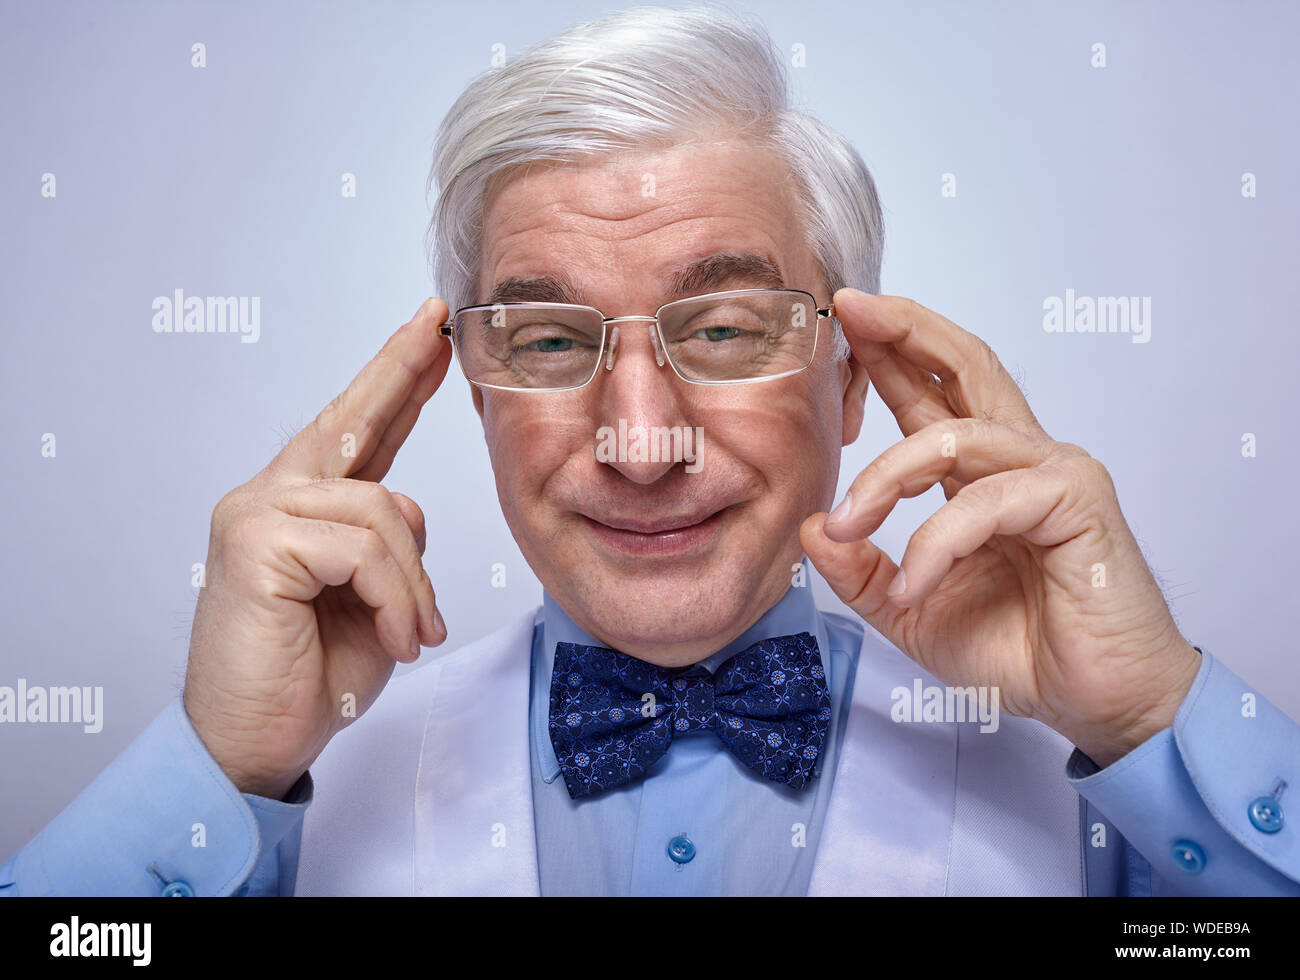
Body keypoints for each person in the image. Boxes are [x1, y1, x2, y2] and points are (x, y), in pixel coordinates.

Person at [4, 6, 1296, 896]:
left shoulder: (1105, 783)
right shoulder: (266, 796)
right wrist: (214, 759)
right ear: (473, 391)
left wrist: (1150, 712)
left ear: (856, 383)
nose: (638, 438)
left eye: (728, 328)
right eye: (554, 342)